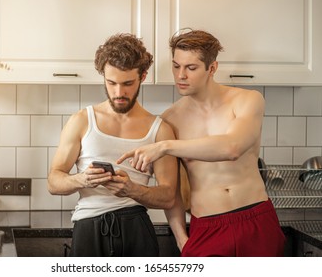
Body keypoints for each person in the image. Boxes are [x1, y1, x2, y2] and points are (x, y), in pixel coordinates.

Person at [117, 29, 286, 257]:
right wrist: (181, 239)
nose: (180, 75)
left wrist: (164, 146)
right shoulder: (171, 120)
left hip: (256, 218)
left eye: (191, 68)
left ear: (212, 68)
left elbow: (232, 147)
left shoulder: (248, 100)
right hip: (206, 226)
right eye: (176, 66)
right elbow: (173, 191)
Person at [48, 33, 178, 257]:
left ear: (143, 76)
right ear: (103, 77)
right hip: (88, 227)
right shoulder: (81, 120)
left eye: (128, 83)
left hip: (137, 227)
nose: (119, 93)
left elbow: (168, 196)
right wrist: (81, 179)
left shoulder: (160, 129)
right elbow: (53, 181)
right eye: (111, 83)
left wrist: (132, 189)